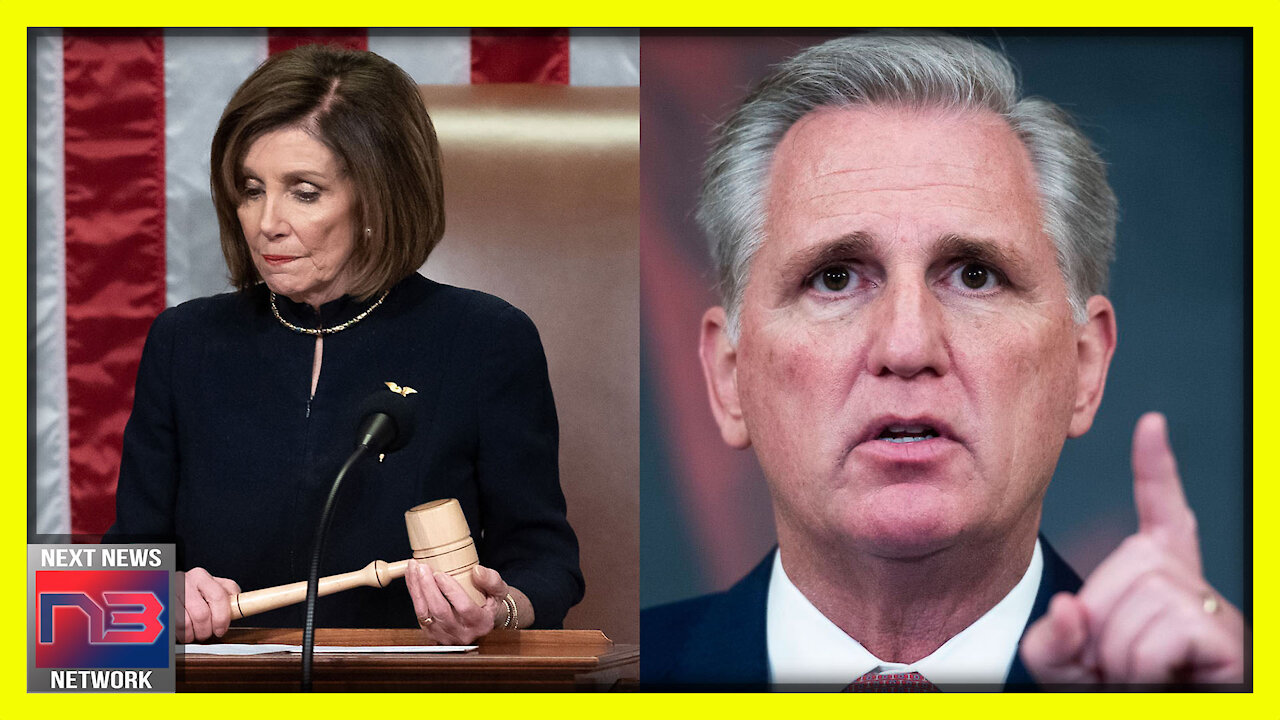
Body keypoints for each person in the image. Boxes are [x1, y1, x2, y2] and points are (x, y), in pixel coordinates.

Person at [641, 34, 1245, 689]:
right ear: (729, 378)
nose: (907, 348)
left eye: (977, 276)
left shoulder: (1187, 690)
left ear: (1086, 364)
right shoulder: (611, 689)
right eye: (837, 278)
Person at [104, 45, 583, 645]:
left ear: (378, 201)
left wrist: (501, 608)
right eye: (252, 189)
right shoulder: (184, 343)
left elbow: (546, 564)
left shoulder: (486, 340)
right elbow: (120, 571)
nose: (266, 221)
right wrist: (158, 593)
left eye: (304, 191)